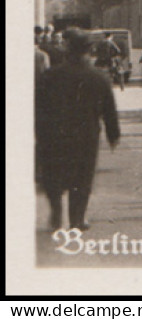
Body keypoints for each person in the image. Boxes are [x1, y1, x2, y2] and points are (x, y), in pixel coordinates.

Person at [36, 29, 120, 231]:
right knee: (82, 177)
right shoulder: (98, 77)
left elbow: (38, 107)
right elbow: (109, 110)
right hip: (86, 135)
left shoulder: (51, 75)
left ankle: (56, 214)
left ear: (67, 50)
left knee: (53, 175)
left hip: (54, 134)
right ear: (89, 50)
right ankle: (77, 218)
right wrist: (113, 134)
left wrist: (39, 133)